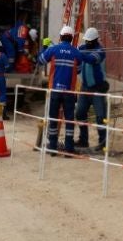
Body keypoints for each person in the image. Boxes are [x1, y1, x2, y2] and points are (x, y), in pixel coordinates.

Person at [38, 26, 85, 156]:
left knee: (53, 119)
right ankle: (69, 149)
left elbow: (40, 60)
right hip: (69, 92)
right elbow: (79, 71)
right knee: (69, 120)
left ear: (60, 37)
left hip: (54, 90)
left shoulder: (53, 50)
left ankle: (52, 148)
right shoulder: (76, 53)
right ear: (71, 38)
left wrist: (44, 46)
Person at [73, 27, 109, 155]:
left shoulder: (100, 51)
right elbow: (78, 57)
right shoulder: (82, 48)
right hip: (85, 88)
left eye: (89, 41)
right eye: (86, 40)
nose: (87, 42)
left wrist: (77, 53)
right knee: (80, 113)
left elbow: (91, 60)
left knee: (101, 117)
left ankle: (103, 143)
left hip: (97, 88)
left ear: (95, 40)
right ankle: (83, 140)